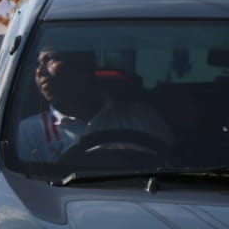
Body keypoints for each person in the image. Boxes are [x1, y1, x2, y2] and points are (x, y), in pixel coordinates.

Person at [15, 50, 171, 161]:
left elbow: (171, 165)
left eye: (50, 59)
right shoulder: (30, 132)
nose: (40, 71)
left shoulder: (141, 117)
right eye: (38, 63)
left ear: (83, 66)